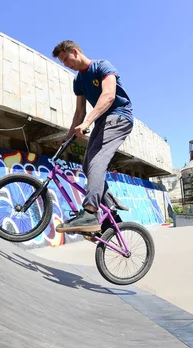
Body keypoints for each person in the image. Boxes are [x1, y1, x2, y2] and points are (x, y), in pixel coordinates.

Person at [51, 40, 134, 233]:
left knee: (97, 161)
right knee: (87, 166)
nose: (65, 64)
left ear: (75, 51)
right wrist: (68, 136)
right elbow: (79, 111)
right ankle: (110, 214)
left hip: (119, 116)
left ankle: (89, 212)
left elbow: (109, 96)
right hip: (101, 121)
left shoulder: (102, 66)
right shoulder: (78, 81)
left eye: (66, 59)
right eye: (62, 62)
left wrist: (87, 123)